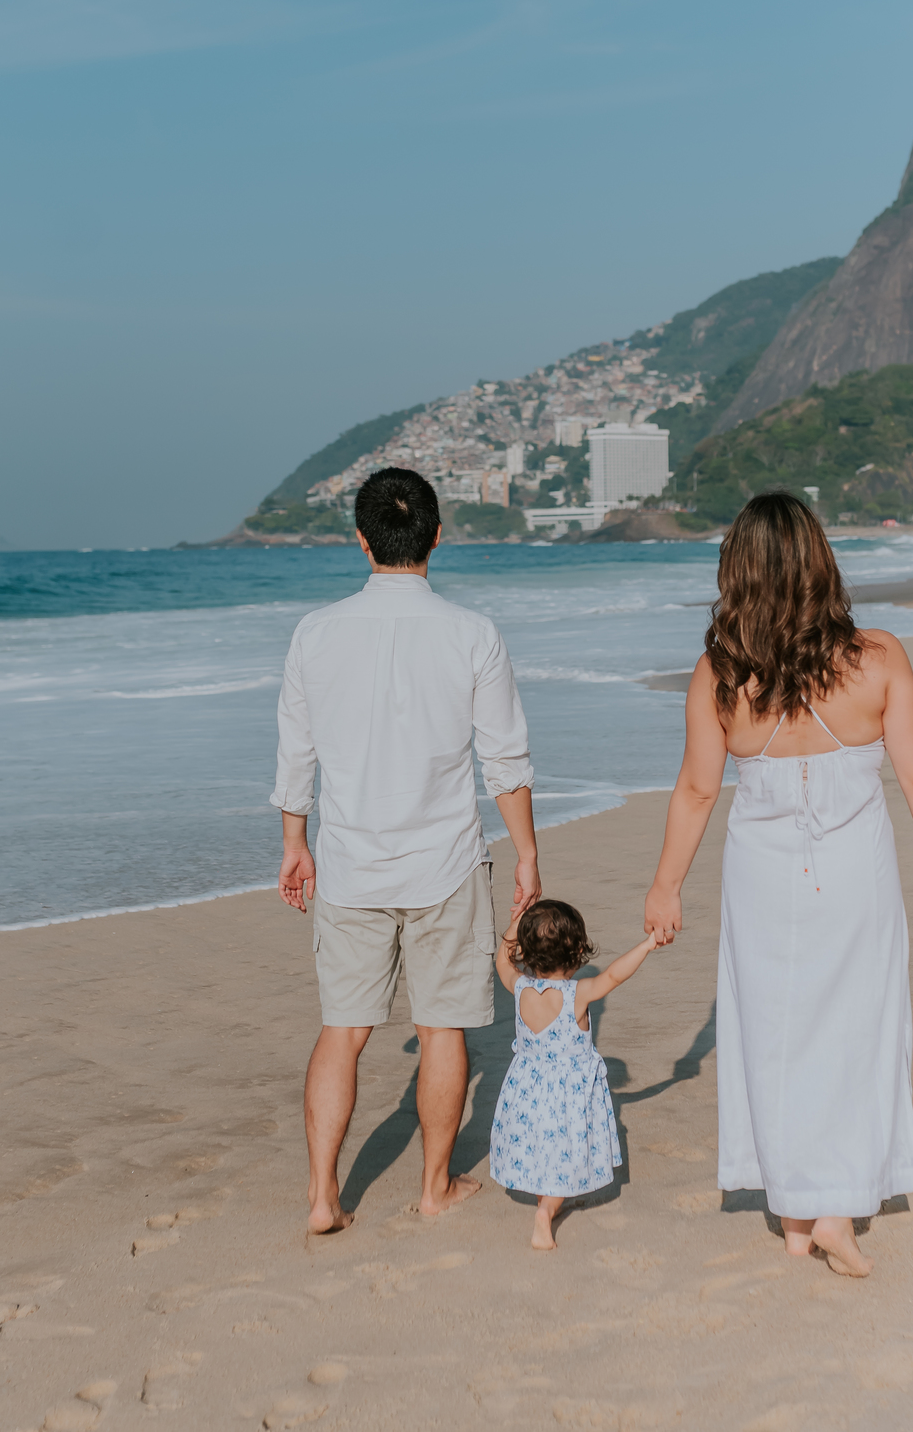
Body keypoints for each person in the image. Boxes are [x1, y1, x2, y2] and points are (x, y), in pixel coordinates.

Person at [644, 492, 913, 1279]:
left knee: (771, 1037)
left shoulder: (721, 676)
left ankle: (793, 1214)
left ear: (737, 573)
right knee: (860, 1031)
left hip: (762, 880)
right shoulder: (878, 659)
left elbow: (694, 791)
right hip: (855, 876)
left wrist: (666, 886)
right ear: (822, 562)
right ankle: (832, 1212)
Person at [273, 467, 542, 1232]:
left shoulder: (315, 633)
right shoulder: (471, 633)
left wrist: (295, 841)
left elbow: (296, 754)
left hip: (352, 861)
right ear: (437, 536)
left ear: (361, 540)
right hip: (446, 863)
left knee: (343, 1028)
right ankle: (434, 1186)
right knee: (443, 1027)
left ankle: (326, 1195)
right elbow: (506, 760)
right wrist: (525, 852)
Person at [490, 900, 660, 1250]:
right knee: (562, 1156)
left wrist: (516, 918)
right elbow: (614, 974)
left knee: (541, 1149)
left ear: (525, 950)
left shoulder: (519, 988)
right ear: (579, 950)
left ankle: (543, 1201)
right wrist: (647, 945)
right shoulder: (576, 994)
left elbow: (500, 960)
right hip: (567, 1098)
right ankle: (545, 1213)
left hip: (526, 1092)